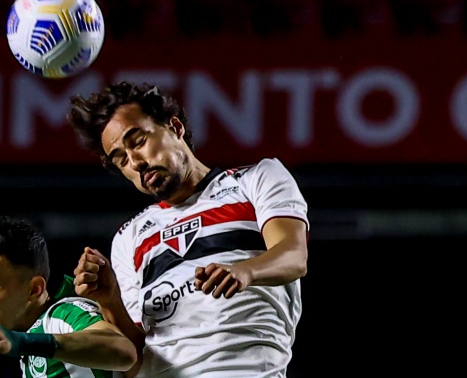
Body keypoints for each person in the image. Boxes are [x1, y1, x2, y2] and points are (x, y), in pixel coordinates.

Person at [66, 81, 310, 378]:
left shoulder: (256, 179)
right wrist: (108, 299)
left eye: (138, 141)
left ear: (175, 127)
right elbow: (132, 361)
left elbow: (293, 256)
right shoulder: (129, 237)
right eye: (121, 160)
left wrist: (246, 271)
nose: (136, 163)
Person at [0, 215, 137, 378]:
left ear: (34, 289)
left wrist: (21, 342)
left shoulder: (63, 314)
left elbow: (123, 351)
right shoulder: (31, 337)